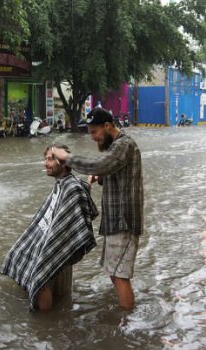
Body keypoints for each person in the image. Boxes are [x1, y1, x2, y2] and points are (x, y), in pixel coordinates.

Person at [52, 107, 144, 310]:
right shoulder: (115, 148)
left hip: (124, 221)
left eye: (94, 132)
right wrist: (101, 177)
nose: (93, 137)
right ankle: (125, 317)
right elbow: (113, 170)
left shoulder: (124, 144)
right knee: (114, 272)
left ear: (107, 126)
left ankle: (127, 325)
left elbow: (101, 163)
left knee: (120, 276)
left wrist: (66, 157)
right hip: (114, 221)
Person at [0, 144, 98, 311]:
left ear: (64, 162)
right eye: (45, 159)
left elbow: (75, 209)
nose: (46, 163)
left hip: (57, 245)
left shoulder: (71, 188)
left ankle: (43, 325)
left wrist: (47, 250)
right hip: (51, 241)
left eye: (50, 159)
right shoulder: (63, 184)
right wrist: (89, 183)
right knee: (17, 254)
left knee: (41, 280)